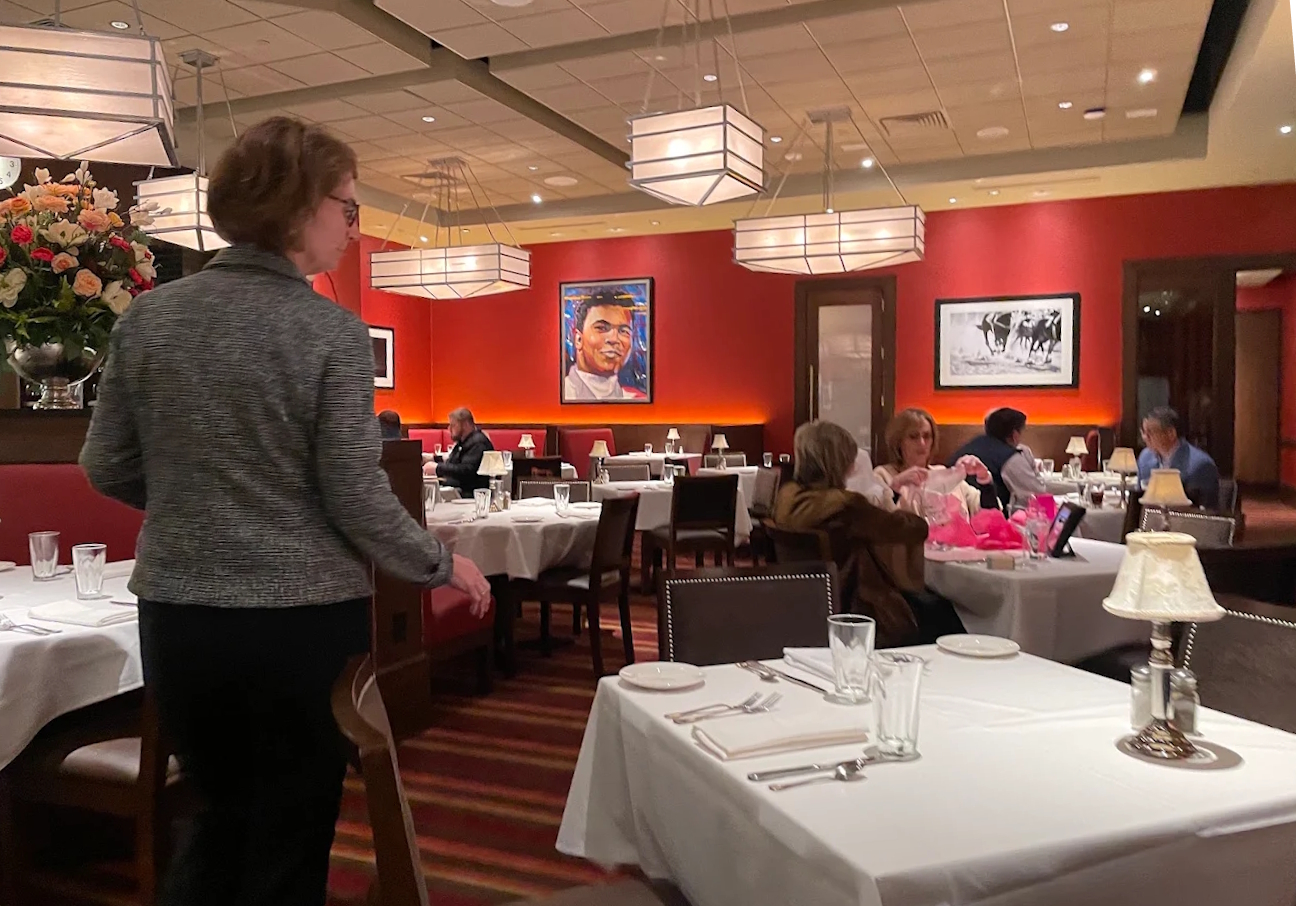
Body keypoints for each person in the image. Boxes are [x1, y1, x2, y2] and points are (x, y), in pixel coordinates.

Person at [79, 116, 491, 906]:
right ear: (299, 207)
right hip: (297, 621)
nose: (352, 225)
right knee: (290, 832)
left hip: (180, 615)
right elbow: (353, 489)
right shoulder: (330, 332)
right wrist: (440, 562)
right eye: (347, 205)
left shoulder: (147, 318)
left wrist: (196, 504)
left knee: (217, 815)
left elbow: (105, 466)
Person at [773, 420, 965, 648]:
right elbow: (907, 529)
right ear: (840, 461)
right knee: (951, 612)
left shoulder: (786, 499)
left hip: (807, 607)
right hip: (862, 609)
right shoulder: (844, 507)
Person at [875, 407, 991, 518]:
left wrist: (984, 479)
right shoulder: (883, 475)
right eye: (913, 437)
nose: (922, 443)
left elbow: (989, 514)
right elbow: (877, 521)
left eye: (927, 436)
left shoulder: (944, 473)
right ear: (898, 442)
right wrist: (895, 489)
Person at [947, 407, 1046, 510]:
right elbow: (1037, 494)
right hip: (984, 515)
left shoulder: (975, 443)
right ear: (1015, 434)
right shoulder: (1009, 457)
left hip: (951, 509)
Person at [563, 288, 646, 401]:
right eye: (601, 328)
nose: (614, 339)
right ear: (578, 339)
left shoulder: (638, 400)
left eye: (623, 331)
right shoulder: (554, 397)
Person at [1138, 406, 1220, 507]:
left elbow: (1205, 512)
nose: (1145, 438)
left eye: (1150, 432)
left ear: (1171, 433)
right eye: (1143, 432)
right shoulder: (1145, 458)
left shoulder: (1200, 466)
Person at [427, 407, 493, 494]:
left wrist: (437, 468)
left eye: (453, 425)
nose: (449, 429)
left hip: (468, 495)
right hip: (457, 490)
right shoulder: (464, 441)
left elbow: (466, 470)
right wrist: (432, 459)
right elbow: (452, 461)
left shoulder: (478, 442)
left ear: (465, 425)